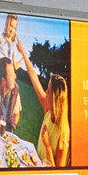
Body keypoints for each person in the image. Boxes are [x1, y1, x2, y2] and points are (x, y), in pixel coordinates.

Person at [16, 38, 70, 167]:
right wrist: (23, 52)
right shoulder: (48, 110)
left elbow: (59, 174)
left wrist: (47, 145)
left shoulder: (62, 134)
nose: (45, 91)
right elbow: (34, 77)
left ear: (55, 100)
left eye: (48, 90)